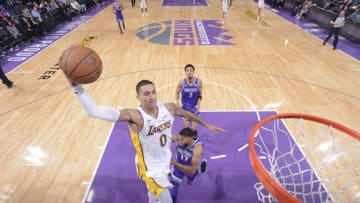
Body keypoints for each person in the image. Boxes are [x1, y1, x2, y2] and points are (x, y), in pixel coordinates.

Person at [68, 78, 225, 203]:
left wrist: (207, 125)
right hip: (148, 168)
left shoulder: (168, 108)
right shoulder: (134, 116)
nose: (151, 97)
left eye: (153, 92)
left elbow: (187, 114)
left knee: (153, 195)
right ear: (138, 97)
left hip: (165, 162)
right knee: (166, 199)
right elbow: (94, 111)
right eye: (146, 94)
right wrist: (76, 86)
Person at [170, 127, 207, 203]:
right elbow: (160, 139)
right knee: (172, 193)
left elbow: (192, 170)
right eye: (179, 139)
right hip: (178, 168)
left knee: (190, 179)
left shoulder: (198, 148)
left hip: (189, 169)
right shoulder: (179, 138)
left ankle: (199, 170)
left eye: (182, 139)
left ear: (189, 138)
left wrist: (174, 163)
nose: (179, 142)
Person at [175, 64, 203, 134]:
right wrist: (177, 102)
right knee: (186, 130)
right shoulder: (181, 82)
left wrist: (198, 106)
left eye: (191, 70)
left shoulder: (199, 81)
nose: (189, 72)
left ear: (193, 71)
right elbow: (177, 92)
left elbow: (200, 94)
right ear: (185, 72)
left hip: (194, 108)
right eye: (187, 71)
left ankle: (194, 141)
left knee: (194, 131)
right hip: (185, 109)